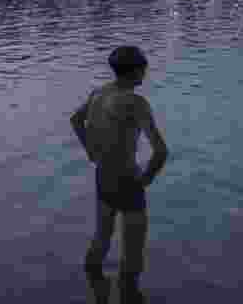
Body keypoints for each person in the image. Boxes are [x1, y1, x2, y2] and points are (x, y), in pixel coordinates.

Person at [70, 46, 170, 304]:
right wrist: (144, 180)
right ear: (137, 70)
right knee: (133, 253)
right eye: (144, 68)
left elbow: (75, 120)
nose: (145, 73)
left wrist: (91, 150)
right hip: (127, 180)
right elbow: (160, 152)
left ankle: (95, 288)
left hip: (103, 176)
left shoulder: (98, 93)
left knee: (101, 239)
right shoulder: (135, 102)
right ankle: (129, 295)